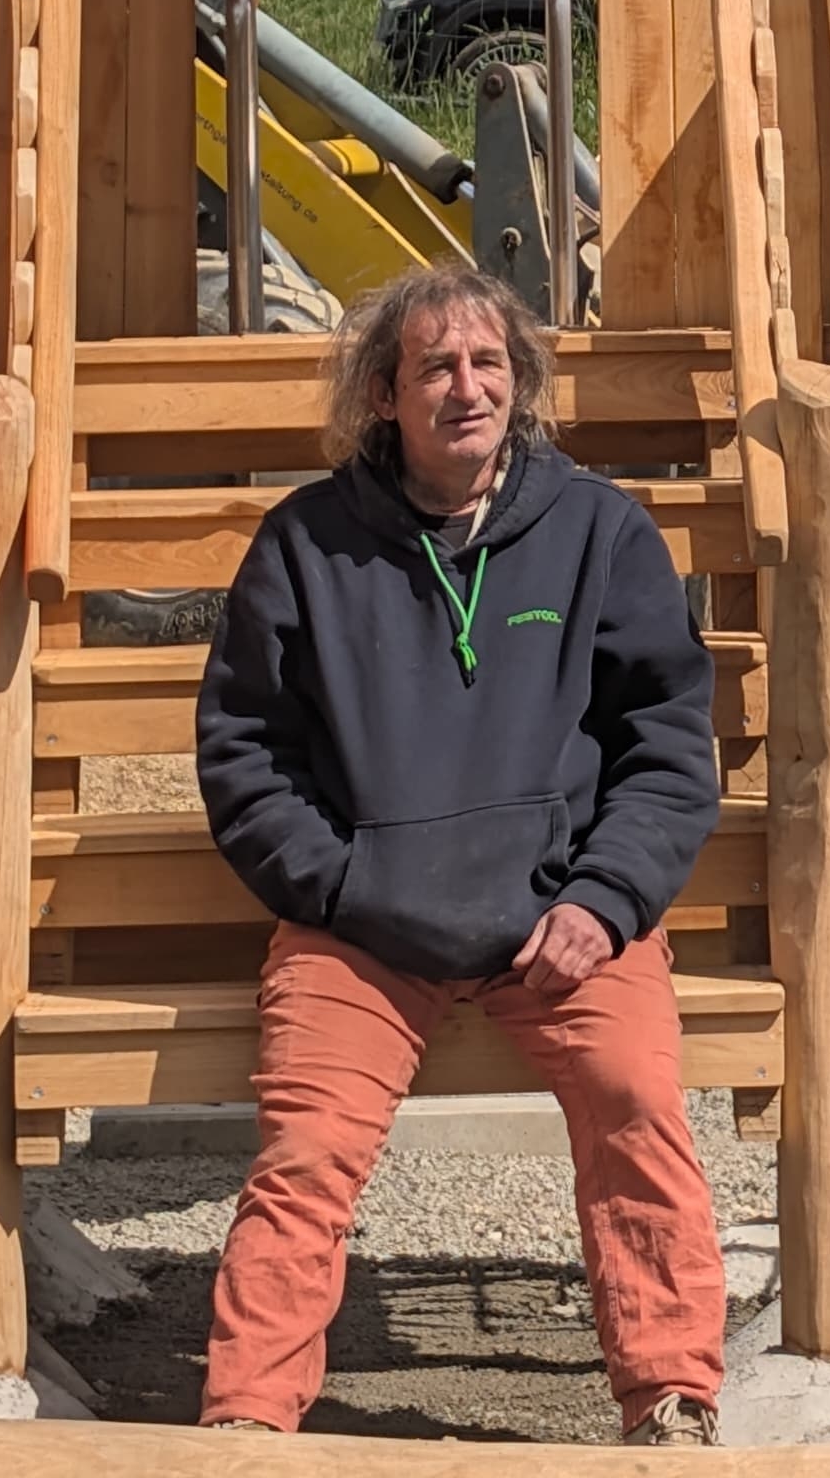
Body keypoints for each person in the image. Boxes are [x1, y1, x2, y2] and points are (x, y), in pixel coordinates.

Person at [192, 263, 731, 1446]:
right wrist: (338, 886)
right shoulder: (302, 545)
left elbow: (666, 749)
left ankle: (673, 1397)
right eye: (434, 366)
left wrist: (603, 901)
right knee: (306, 1150)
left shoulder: (599, 531)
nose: (464, 387)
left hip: (564, 924)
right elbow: (244, 753)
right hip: (361, 929)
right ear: (384, 394)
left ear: (521, 384)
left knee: (638, 1103)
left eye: (488, 364)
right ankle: (243, 1422)